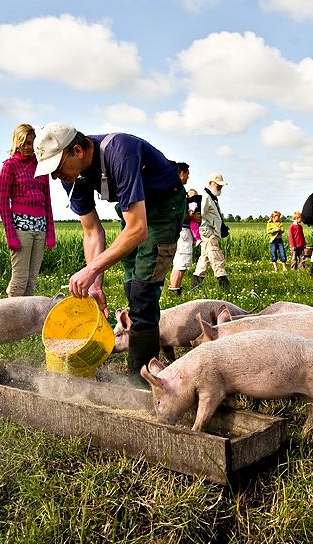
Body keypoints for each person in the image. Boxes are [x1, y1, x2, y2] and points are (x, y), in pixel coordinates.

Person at [33, 123, 185, 383]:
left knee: (143, 290)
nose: (56, 176)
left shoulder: (119, 153)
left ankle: (143, 380)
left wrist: (91, 269)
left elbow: (138, 230)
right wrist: (95, 284)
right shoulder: (73, 177)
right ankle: (141, 358)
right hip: (134, 212)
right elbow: (92, 231)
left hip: (163, 209)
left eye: (57, 167)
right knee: (131, 287)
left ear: (77, 150)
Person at [0, 123, 55, 297]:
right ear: (17, 142)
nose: (29, 147)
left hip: (40, 227)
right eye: (25, 143)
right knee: (20, 279)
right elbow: (2, 203)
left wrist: (50, 233)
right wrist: (11, 235)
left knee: (32, 280)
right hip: (21, 227)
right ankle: (11, 318)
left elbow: (47, 201)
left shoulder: (41, 166)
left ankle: (27, 321)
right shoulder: (10, 166)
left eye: (32, 143)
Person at [167, 163, 201, 296]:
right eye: (187, 173)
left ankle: (175, 289)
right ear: (181, 174)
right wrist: (192, 217)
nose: (188, 176)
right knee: (181, 263)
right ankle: (175, 290)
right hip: (183, 232)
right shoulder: (178, 191)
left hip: (178, 231)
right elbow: (177, 213)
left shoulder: (170, 189)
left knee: (179, 263)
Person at [193, 173, 230, 289]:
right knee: (216, 257)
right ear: (210, 183)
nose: (220, 187)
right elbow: (201, 215)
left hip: (211, 232)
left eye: (221, 185)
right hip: (209, 233)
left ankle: (195, 286)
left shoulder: (211, 197)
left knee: (204, 260)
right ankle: (224, 284)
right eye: (218, 185)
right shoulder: (206, 197)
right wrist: (208, 233)